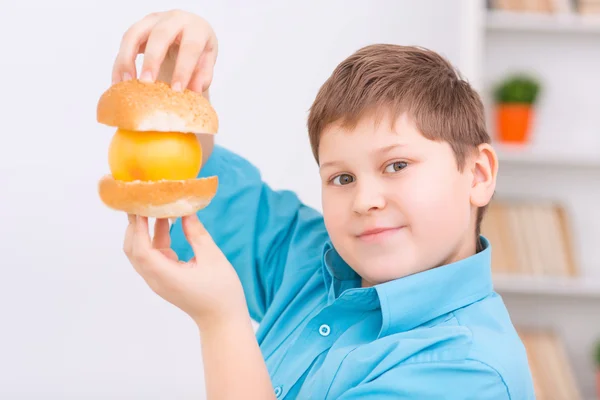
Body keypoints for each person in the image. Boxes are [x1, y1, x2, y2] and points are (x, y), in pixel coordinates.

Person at [114, 9, 536, 400]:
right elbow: (200, 181)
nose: (364, 201)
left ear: (478, 174)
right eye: (342, 178)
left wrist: (220, 322)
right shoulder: (311, 260)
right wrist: (180, 88)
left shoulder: (468, 372)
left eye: (397, 165)